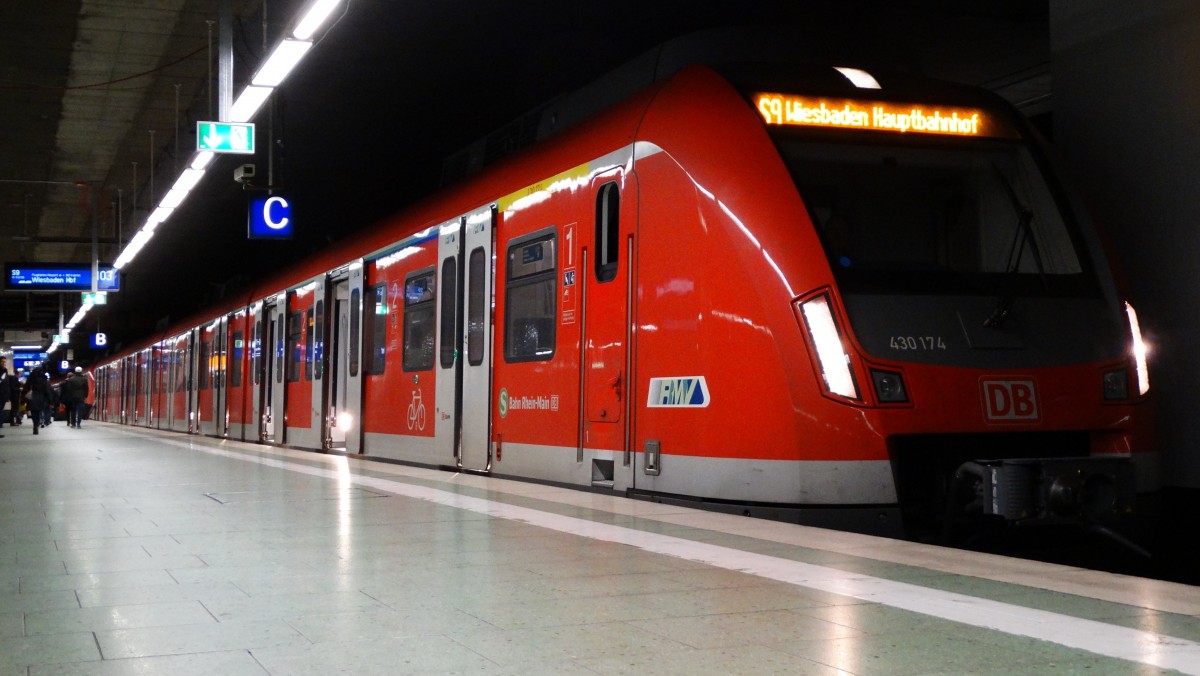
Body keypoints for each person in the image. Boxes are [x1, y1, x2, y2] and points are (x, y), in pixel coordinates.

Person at [21, 366, 51, 435]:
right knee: (39, 412)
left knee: (34, 413)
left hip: (32, 398)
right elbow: (47, 391)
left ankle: (35, 425)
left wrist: (23, 399)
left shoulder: (30, 379)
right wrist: (50, 400)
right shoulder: (43, 380)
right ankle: (38, 424)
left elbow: (25, 389)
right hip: (41, 399)